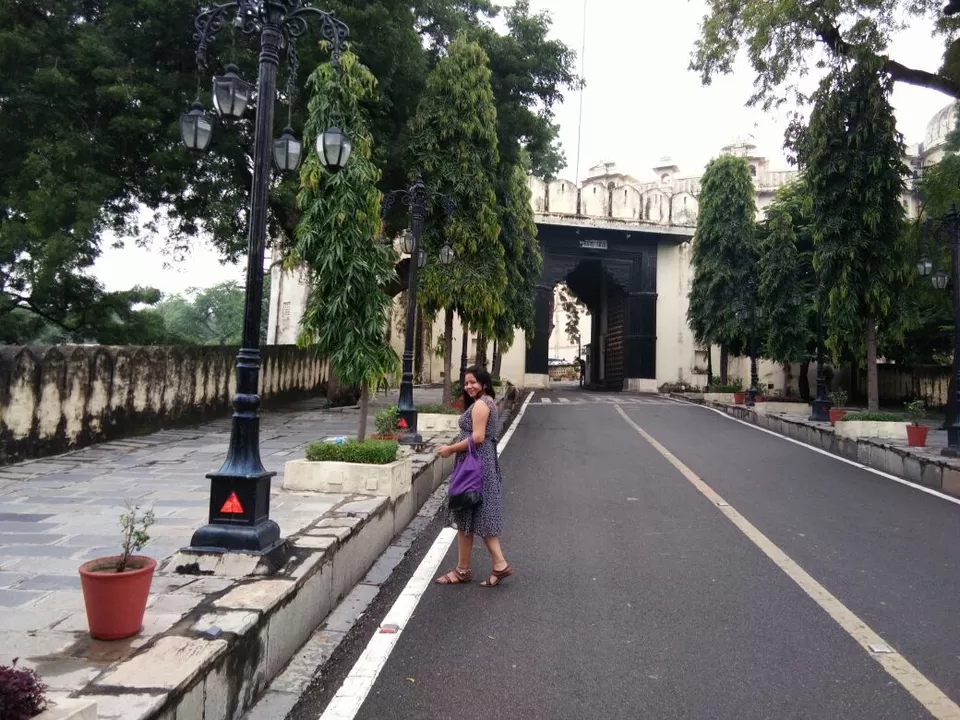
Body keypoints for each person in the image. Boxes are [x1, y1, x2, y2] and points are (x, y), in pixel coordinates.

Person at [435, 365, 513, 587]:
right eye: (466, 382)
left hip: (475, 465)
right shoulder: (487, 402)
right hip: (481, 463)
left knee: (467, 511)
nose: (469, 386)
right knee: (473, 514)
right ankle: (483, 566)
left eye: (473, 382)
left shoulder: (481, 404)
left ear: (484, 383)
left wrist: (450, 449)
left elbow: (477, 438)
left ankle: (472, 568)